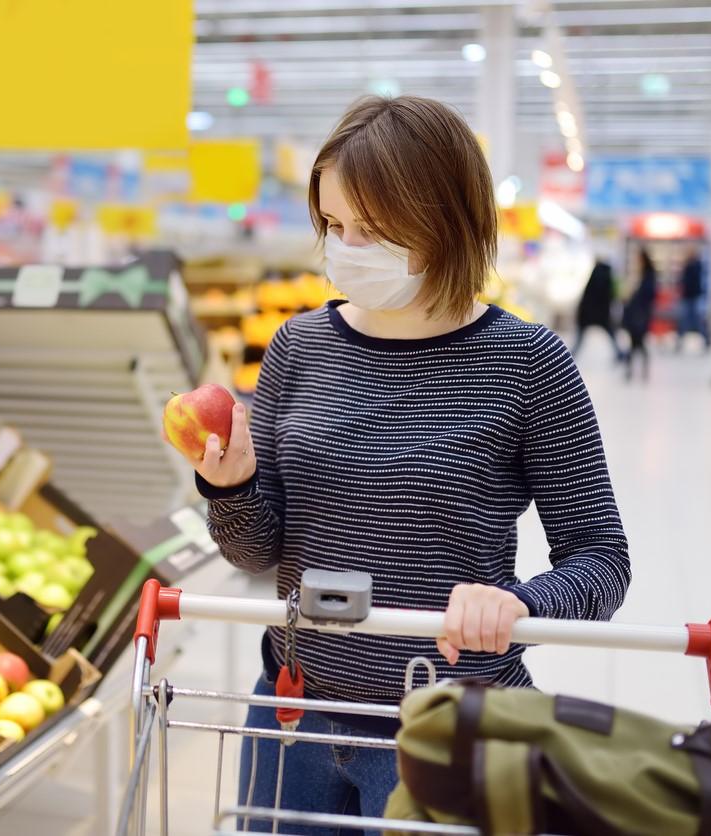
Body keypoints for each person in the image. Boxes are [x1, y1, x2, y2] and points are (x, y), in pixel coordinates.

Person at [166, 96, 630, 834]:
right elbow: (258, 553)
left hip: (444, 721)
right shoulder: (300, 347)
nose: (347, 250)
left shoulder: (528, 364)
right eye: (335, 226)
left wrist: (520, 606)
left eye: (374, 232)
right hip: (293, 711)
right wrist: (232, 487)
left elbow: (602, 559)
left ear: (449, 223)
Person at [571, 257, 621, 359]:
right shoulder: (607, 275)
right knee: (611, 335)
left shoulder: (596, 275)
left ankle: (569, 355)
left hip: (589, 313)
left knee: (579, 338)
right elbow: (610, 296)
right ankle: (620, 354)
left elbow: (587, 296)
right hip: (602, 313)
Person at [621, 248, 658, 381]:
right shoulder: (643, 276)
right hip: (637, 314)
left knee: (638, 343)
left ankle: (635, 370)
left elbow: (648, 296)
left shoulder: (648, 277)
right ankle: (633, 371)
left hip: (640, 315)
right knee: (635, 343)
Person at [677, 246, 711, 350]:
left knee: (696, 320)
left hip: (693, 297)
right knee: (685, 320)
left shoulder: (696, 266)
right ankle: (680, 340)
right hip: (689, 297)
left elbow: (692, 282)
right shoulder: (691, 266)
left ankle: (706, 339)